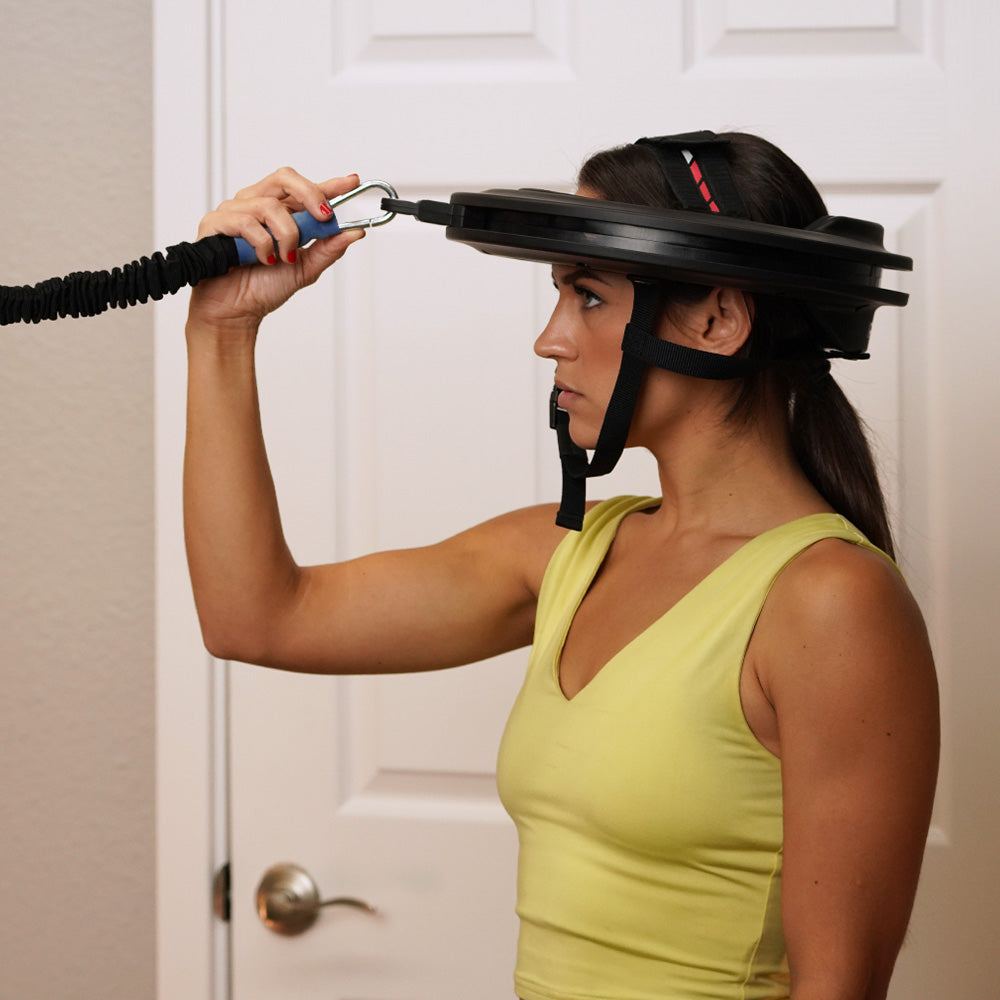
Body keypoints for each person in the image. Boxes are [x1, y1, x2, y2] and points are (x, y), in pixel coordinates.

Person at [183, 132, 939, 1000]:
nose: (550, 341)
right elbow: (255, 617)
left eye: (587, 297)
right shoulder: (566, 552)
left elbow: (839, 988)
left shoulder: (830, 603)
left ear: (718, 321)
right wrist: (222, 329)